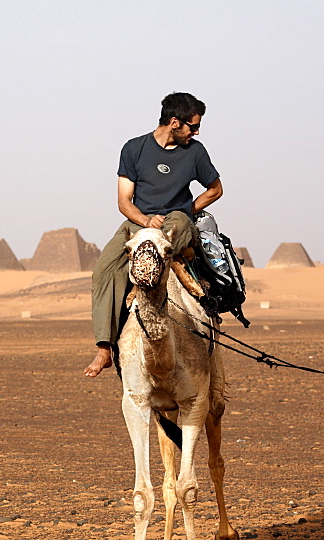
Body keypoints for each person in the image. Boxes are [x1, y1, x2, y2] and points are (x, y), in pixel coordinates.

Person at [83, 92, 223, 377]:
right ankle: (104, 348)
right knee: (104, 270)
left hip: (176, 222)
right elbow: (124, 202)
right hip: (139, 222)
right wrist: (146, 221)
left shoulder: (195, 152)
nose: (196, 132)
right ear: (174, 122)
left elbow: (215, 189)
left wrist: (185, 209)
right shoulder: (134, 149)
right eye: (192, 126)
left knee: (180, 228)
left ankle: (178, 271)